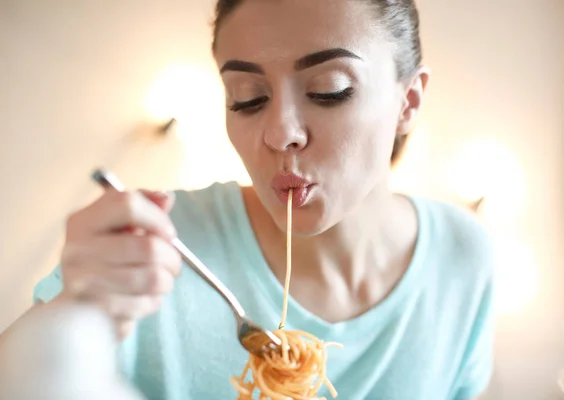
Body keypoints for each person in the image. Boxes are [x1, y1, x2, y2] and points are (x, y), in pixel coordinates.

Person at [1, 0, 495, 399]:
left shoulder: (463, 259)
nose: (281, 134)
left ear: (408, 101)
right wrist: (73, 309)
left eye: (330, 90)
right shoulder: (153, 247)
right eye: (247, 98)